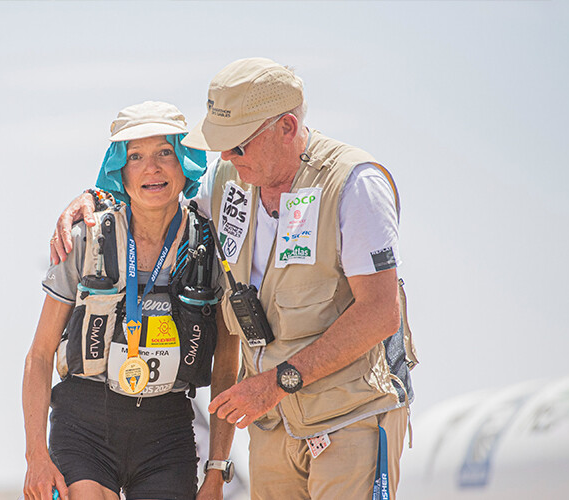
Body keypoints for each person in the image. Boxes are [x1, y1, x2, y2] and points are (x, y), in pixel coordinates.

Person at [49, 59, 418, 500]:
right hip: (273, 425)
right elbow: (158, 193)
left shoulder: (354, 185)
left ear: (286, 127)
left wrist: (279, 381)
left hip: (349, 416)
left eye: (238, 144)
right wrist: (96, 195)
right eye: (221, 145)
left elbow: (380, 314)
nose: (225, 156)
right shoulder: (230, 181)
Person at [23, 101, 240, 500]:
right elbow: (39, 355)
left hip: (167, 430)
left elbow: (228, 363)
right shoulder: (87, 238)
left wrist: (217, 470)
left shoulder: (212, 247)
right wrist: (36, 454)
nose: (151, 168)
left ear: (186, 163)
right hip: (84, 424)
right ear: (119, 169)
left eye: (164, 153)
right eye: (135, 156)